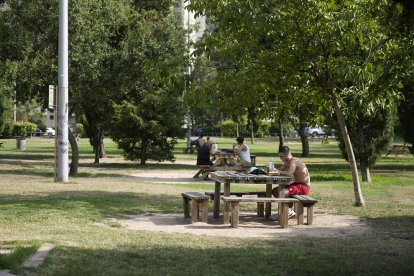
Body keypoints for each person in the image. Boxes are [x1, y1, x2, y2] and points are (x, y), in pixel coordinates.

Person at [271, 146, 311, 219]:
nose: (280, 158)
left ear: (287, 154)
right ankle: (288, 210)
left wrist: (278, 172)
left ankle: (287, 212)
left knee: (282, 192)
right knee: (275, 191)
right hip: (297, 184)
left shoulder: (294, 161)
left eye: (281, 156)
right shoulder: (287, 162)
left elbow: (289, 173)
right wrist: (272, 169)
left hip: (304, 186)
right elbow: (279, 170)